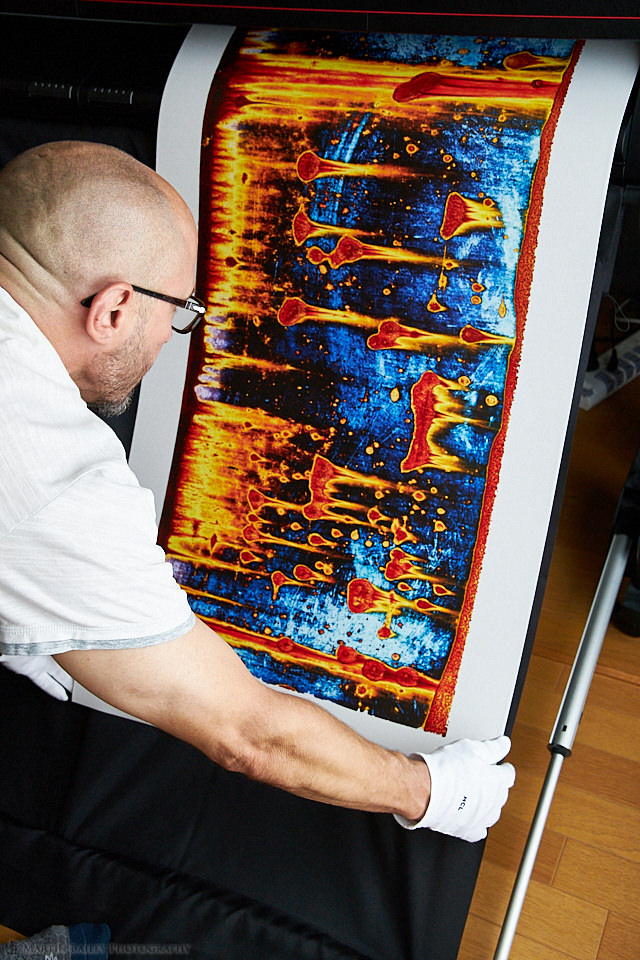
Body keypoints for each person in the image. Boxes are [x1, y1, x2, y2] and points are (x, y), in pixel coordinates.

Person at [0, 140, 514, 842]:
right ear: (114, 309)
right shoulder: (56, 480)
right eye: (178, 311)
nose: (173, 338)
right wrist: (433, 791)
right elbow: (249, 735)